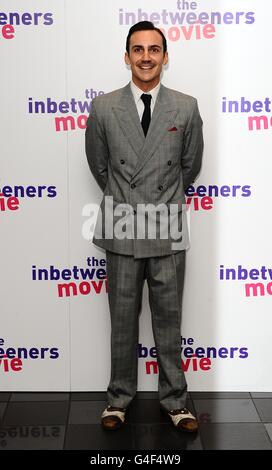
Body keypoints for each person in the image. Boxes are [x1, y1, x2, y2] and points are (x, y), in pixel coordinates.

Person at [85, 21, 203, 432]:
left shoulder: (185, 107)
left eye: (154, 49)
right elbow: (99, 166)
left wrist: (159, 201)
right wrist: (130, 201)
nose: (146, 57)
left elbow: (191, 167)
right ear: (127, 57)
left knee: (169, 319)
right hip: (121, 222)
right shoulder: (103, 107)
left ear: (165, 57)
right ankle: (118, 399)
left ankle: (177, 401)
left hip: (167, 223)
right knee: (122, 320)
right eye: (138, 49)